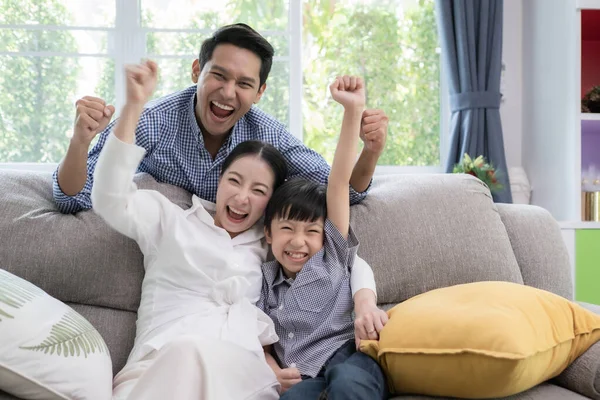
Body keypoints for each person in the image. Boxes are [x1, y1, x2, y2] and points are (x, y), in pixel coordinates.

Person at [56, 22, 389, 340]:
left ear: (260, 92)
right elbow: (74, 197)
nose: (228, 93)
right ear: (196, 71)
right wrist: (79, 141)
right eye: (218, 75)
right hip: (182, 268)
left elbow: (342, 191)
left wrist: (370, 150)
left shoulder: (267, 137)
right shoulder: (154, 121)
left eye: (244, 84)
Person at [92, 61, 382, 400]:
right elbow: (110, 197)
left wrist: (365, 300)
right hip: (159, 370)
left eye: (259, 191)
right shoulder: (169, 221)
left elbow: (345, 259)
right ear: (218, 181)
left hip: (245, 379)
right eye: (234, 181)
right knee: (185, 353)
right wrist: (133, 107)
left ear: (269, 205)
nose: (243, 198)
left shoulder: (270, 245)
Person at [258, 75, 387, 400]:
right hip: (301, 374)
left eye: (311, 231)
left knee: (347, 384)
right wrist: (273, 369)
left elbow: (339, 182)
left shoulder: (331, 254)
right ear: (268, 233)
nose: (299, 242)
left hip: (348, 356)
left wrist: (351, 110)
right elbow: (256, 338)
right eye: (287, 228)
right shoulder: (262, 281)